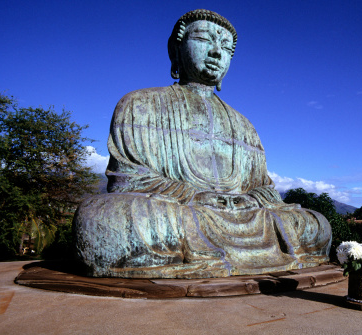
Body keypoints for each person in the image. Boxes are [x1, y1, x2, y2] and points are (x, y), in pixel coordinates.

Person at [74, 9, 331, 278]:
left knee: (315, 224)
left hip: (245, 216)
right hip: (179, 210)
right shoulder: (139, 104)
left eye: (226, 48)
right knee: (100, 217)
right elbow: (126, 181)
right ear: (176, 49)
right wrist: (194, 196)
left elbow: (265, 189)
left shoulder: (243, 125)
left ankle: (220, 251)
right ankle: (206, 250)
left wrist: (247, 200)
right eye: (205, 40)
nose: (217, 52)